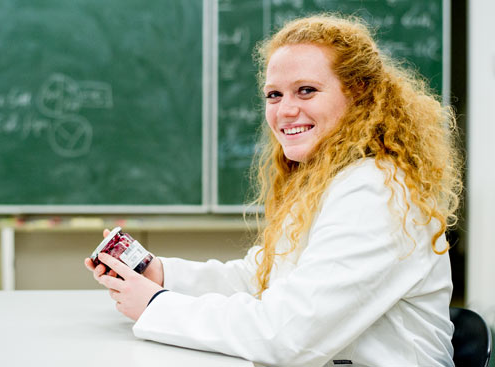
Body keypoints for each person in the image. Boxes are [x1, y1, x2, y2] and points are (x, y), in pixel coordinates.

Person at [85, 13, 462, 367]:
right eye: (274, 95)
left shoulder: (376, 192)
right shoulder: (328, 177)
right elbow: (261, 278)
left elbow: (289, 334)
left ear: (359, 95)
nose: (285, 111)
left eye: (306, 90)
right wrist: (161, 274)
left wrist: (156, 305)